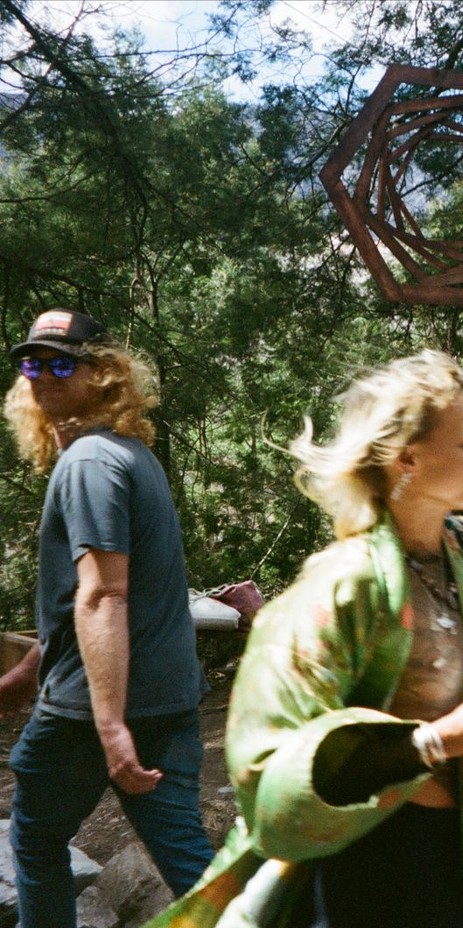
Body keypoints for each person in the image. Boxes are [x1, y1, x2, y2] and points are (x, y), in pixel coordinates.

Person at [149, 349, 463, 928]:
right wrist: (438, 741)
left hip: (445, 851)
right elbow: (268, 770)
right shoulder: (343, 582)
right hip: (354, 873)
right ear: (406, 456)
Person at [0, 308, 215, 927]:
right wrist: (32, 667)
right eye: (31, 362)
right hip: (165, 697)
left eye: (61, 362)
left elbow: (105, 597)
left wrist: (109, 723)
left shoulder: (91, 462)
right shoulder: (127, 454)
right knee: (188, 860)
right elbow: (87, 601)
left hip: (93, 713)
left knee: (36, 845)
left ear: (104, 374)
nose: (42, 374)